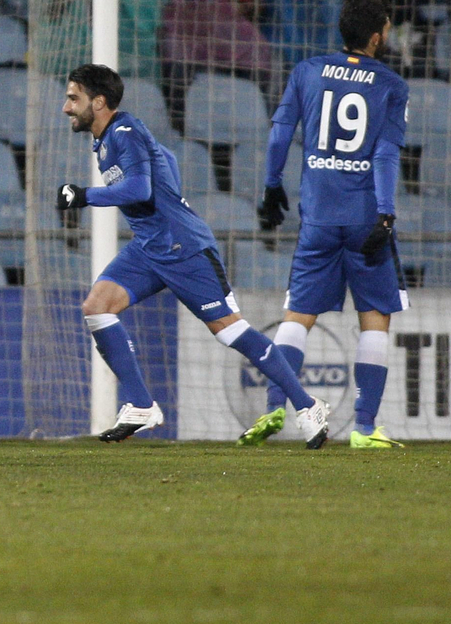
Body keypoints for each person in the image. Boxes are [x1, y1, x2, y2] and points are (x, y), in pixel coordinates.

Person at [55, 63, 332, 447]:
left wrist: (84, 195)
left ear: (98, 102)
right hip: (150, 245)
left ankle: (307, 405)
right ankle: (140, 404)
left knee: (230, 330)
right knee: (97, 306)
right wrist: (171, 195)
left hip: (183, 247)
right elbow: (164, 157)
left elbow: (137, 189)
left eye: (74, 99)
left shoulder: (125, 131)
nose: (67, 107)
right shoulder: (106, 139)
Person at [251, 0, 409, 448]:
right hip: (363, 216)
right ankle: (363, 428)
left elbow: (281, 129)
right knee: (375, 318)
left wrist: (271, 184)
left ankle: (274, 409)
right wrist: (385, 211)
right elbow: (383, 153)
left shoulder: (307, 70)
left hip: (317, 215)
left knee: (297, 316)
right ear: (377, 36)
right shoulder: (391, 84)